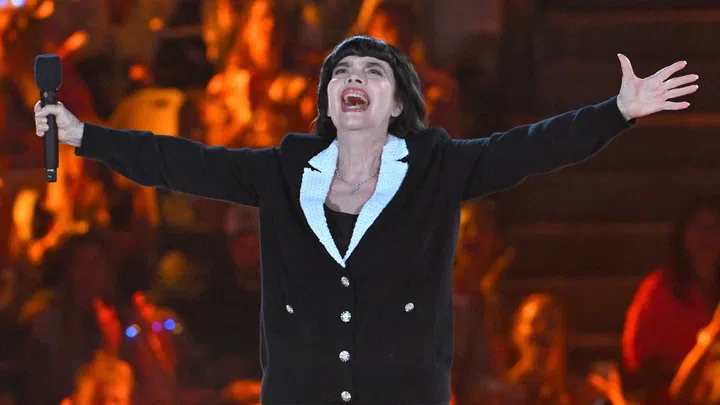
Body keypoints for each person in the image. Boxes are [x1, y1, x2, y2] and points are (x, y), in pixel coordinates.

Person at [34, 36, 697, 404]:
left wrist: (616, 111)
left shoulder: (437, 169)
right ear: (328, 100)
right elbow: (180, 161)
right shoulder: (284, 171)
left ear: (397, 101)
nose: (354, 78)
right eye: (342, 72)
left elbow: (529, 148)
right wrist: (85, 135)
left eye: (373, 71)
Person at [623, 195, 720, 405]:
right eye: (698, 227)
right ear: (682, 234)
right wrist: (691, 371)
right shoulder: (658, 291)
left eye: (714, 227)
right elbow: (639, 362)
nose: (707, 236)